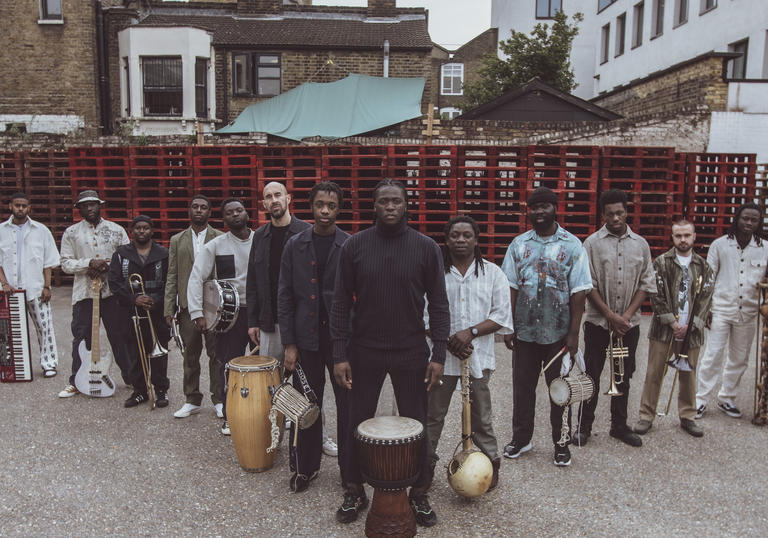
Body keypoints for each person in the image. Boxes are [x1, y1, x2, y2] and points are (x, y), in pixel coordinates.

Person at [331, 178, 449, 527]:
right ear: (374, 205)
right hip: (364, 349)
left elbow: (439, 305)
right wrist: (339, 353)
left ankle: (420, 492)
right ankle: (354, 488)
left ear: (406, 204)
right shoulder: (354, 247)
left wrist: (438, 353)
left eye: (396, 201)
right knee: (356, 421)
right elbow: (339, 303)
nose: (391, 207)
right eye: (384, 201)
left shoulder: (426, 248)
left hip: (411, 350)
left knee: (417, 422)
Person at [500, 186, 592, 468]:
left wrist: (573, 334)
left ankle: (561, 443)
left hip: (558, 334)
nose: (539, 212)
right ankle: (521, 438)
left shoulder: (573, 245)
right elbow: (511, 286)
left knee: (559, 389)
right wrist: (509, 325)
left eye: (545, 206)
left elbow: (579, 293)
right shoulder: (518, 245)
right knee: (522, 388)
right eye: (534, 207)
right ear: (528, 210)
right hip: (526, 332)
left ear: (555, 208)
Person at [246, 182, 338, 456]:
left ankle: (317, 436)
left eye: (278, 195)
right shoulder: (259, 236)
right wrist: (252, 320)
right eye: (268, 197)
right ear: (263, 204)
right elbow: (252, 281)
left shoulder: (305, 233)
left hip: (301, 323)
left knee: (306, 385)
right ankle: (275, 437)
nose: (273, 200)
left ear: (288, 198)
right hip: (268, 323)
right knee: (273, 386)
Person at [425, 215, 512, 491]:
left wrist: (469, 333)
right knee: (432, 415)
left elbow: (502, 316)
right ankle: (424, 468)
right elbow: (422, 315)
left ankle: (489, 465)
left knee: (481, 417)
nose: (460, 240)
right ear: (446, 240)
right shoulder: (434, 272)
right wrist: (448, 339)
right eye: (454, 235)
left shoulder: (493, 273)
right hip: (441, 359)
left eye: (466, 235)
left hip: (477, 357)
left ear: (476, 240)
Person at [277, 181, 350, 493]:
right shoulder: (295, 244)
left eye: (331, 206)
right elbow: (285, 296)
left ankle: (351, 473)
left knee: (347, 406)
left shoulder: (349, 244)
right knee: (306, 405)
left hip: (339, 341)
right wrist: (289, 344)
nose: (325, 211)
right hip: (305, 340)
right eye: (320, 204)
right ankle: (305, 468)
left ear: (339, 209)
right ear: (310, 205)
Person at [575, 189, 656, 448]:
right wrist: (610, 315)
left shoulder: (640, 244)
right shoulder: (591, 243)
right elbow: (588, 284)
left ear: (626, 211)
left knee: (623, 375)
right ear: (603, 215)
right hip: (599, 323)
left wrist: (627, 317)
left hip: (628, 326)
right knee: (593, 374)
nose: (615, 218)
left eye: (620, 212)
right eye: (610, 214)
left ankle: (619, 426)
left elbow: (646, 282)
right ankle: (583, 427)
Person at [634, 220, 714, 438]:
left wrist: (692, 325)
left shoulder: (703, 266)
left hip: (692, 331)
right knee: (654, 372)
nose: (683, 240)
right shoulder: (661, 262)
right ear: (672, 237)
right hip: (664, 328)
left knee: (688, 374)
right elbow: (655, 293)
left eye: (687, 235)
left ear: (694, 236)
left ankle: (688, 416)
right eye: (678, 236)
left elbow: (707, 297)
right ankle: (646, 415)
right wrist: (672, 322)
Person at [695, 203, 768, 420]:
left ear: (759, 223)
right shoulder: (720, 245)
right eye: (745, 218)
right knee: (713, 354)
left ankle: (727, 397)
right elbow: (709, 278)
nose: (749, 223)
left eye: (754, 220)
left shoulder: (765, 247)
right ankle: (700, 399)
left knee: (740, 357)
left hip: (749, 310)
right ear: (737, 218)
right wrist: (705, 308)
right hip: (721, 308)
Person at [58, 190, 132, 399]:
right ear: (79, 209)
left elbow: (127, 258)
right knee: (81, 337)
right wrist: (88, 263)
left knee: (120, 335)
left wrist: (107, 266)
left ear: (100, 206)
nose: (90, 208)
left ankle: (132, 378)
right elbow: (65, 263)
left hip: (112, 293)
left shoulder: (116, 230)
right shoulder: (71, 233)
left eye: (93, 204)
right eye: (85, 205)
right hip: (84, 294)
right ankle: (76, 381)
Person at [188, 198, 253, 435]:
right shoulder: (215, 245)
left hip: (259, 313)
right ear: (223, 219)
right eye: (229, 213)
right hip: (230, 315)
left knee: (267, 365)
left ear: (246, 213)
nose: (235, 215)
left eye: (239, 210)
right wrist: (197, 312)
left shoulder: (261, 241)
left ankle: (267, 411)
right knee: (229, 366)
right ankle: (229, 415)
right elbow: (196, 277)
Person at [164, 195, 224, 419]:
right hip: (188, 305)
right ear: (189, 210)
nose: (199, 211)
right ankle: (191, 399)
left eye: (204, 208)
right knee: (190, 354)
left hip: (214, 305)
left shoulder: (220, 238)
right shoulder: (177, 240)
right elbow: (172, 275)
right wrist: (169, 307)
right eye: (195, 207)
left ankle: (219, 400)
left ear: (210, 212)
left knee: (216, 354)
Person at [108, 216, 170, 408]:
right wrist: (134, 298)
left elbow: (170, 282)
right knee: (134, 352)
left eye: (145, 228)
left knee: (158, 353)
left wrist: (156, 300)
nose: (141, 232)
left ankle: (161, 391)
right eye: (138, 228)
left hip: (156, 311)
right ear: (131, 231)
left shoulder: (163, 253)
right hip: (129, 312)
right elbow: (114, 282)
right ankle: (140, 391)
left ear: (152, 231)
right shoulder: (120, 254)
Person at [0, 192, 60, 377]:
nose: (20, 209)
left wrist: (47, 286)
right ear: (10, 206)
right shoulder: (1, 230)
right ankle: (9, 367)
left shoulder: (41, 230)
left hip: (35, 288)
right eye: (17, 205)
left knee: (44, 326)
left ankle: (49, 363)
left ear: (29, 208)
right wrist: (4, 284)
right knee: (7, 330)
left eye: (24, 206)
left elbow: (48, 261)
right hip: (9, 290)